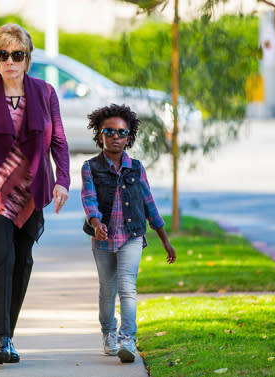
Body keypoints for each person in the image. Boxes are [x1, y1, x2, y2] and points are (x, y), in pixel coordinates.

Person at [0, 23, 70, 364]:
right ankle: (1, 337)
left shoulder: (45, 93)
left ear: (27, 58)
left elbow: (60, 142)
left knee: (23, 260)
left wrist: (62, 180)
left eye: (16, 55)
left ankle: (9, 332)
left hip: (32, 190)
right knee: (1, 257)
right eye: (2, 55)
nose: (9, 61)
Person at [80, 104, 176, 363]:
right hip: (102, 239)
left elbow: (149, 204)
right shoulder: (90, 167)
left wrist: (165, 240)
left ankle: (127, 339)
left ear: (129, 137)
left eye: (121, 133)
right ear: (99, 135)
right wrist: (96, 222)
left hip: (131, 236)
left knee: (127, 287)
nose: (115, 137)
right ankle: (108, 333)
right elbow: (88, 199)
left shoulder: (137, 168)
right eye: (108, 131)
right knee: (107, 290)